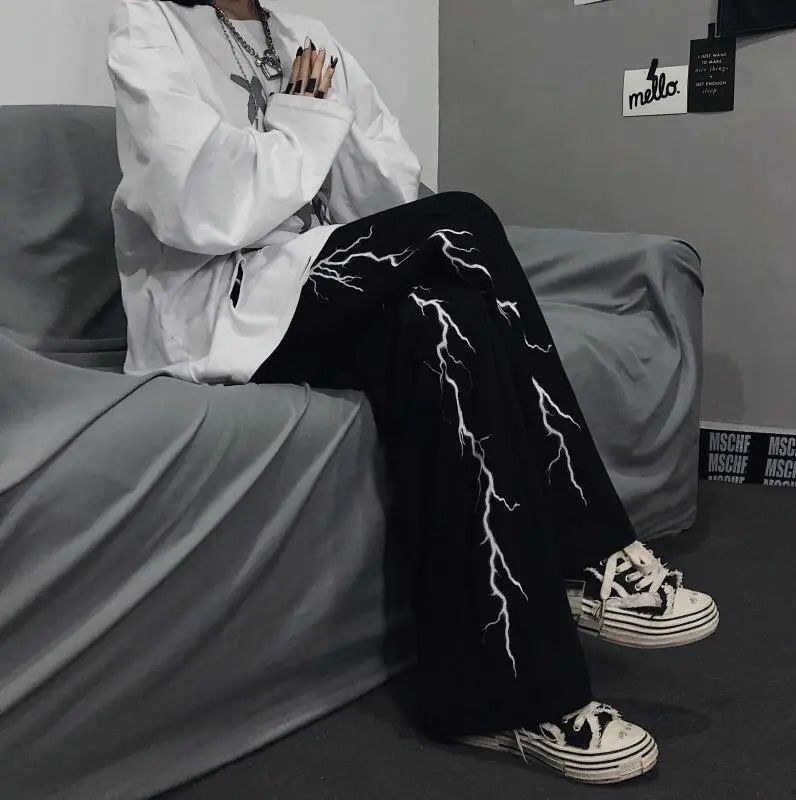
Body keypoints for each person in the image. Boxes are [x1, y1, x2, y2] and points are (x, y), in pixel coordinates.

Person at [108, 0, 719, 784]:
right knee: (460, 222)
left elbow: (392, 190)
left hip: (314, 280)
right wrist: (303, 122)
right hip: (218, 307)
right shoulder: (147, 26)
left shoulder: (306, 37)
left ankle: (502, 700)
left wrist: (328, 141)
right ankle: (587, 546)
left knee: (441, 321)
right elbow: (199, 207)